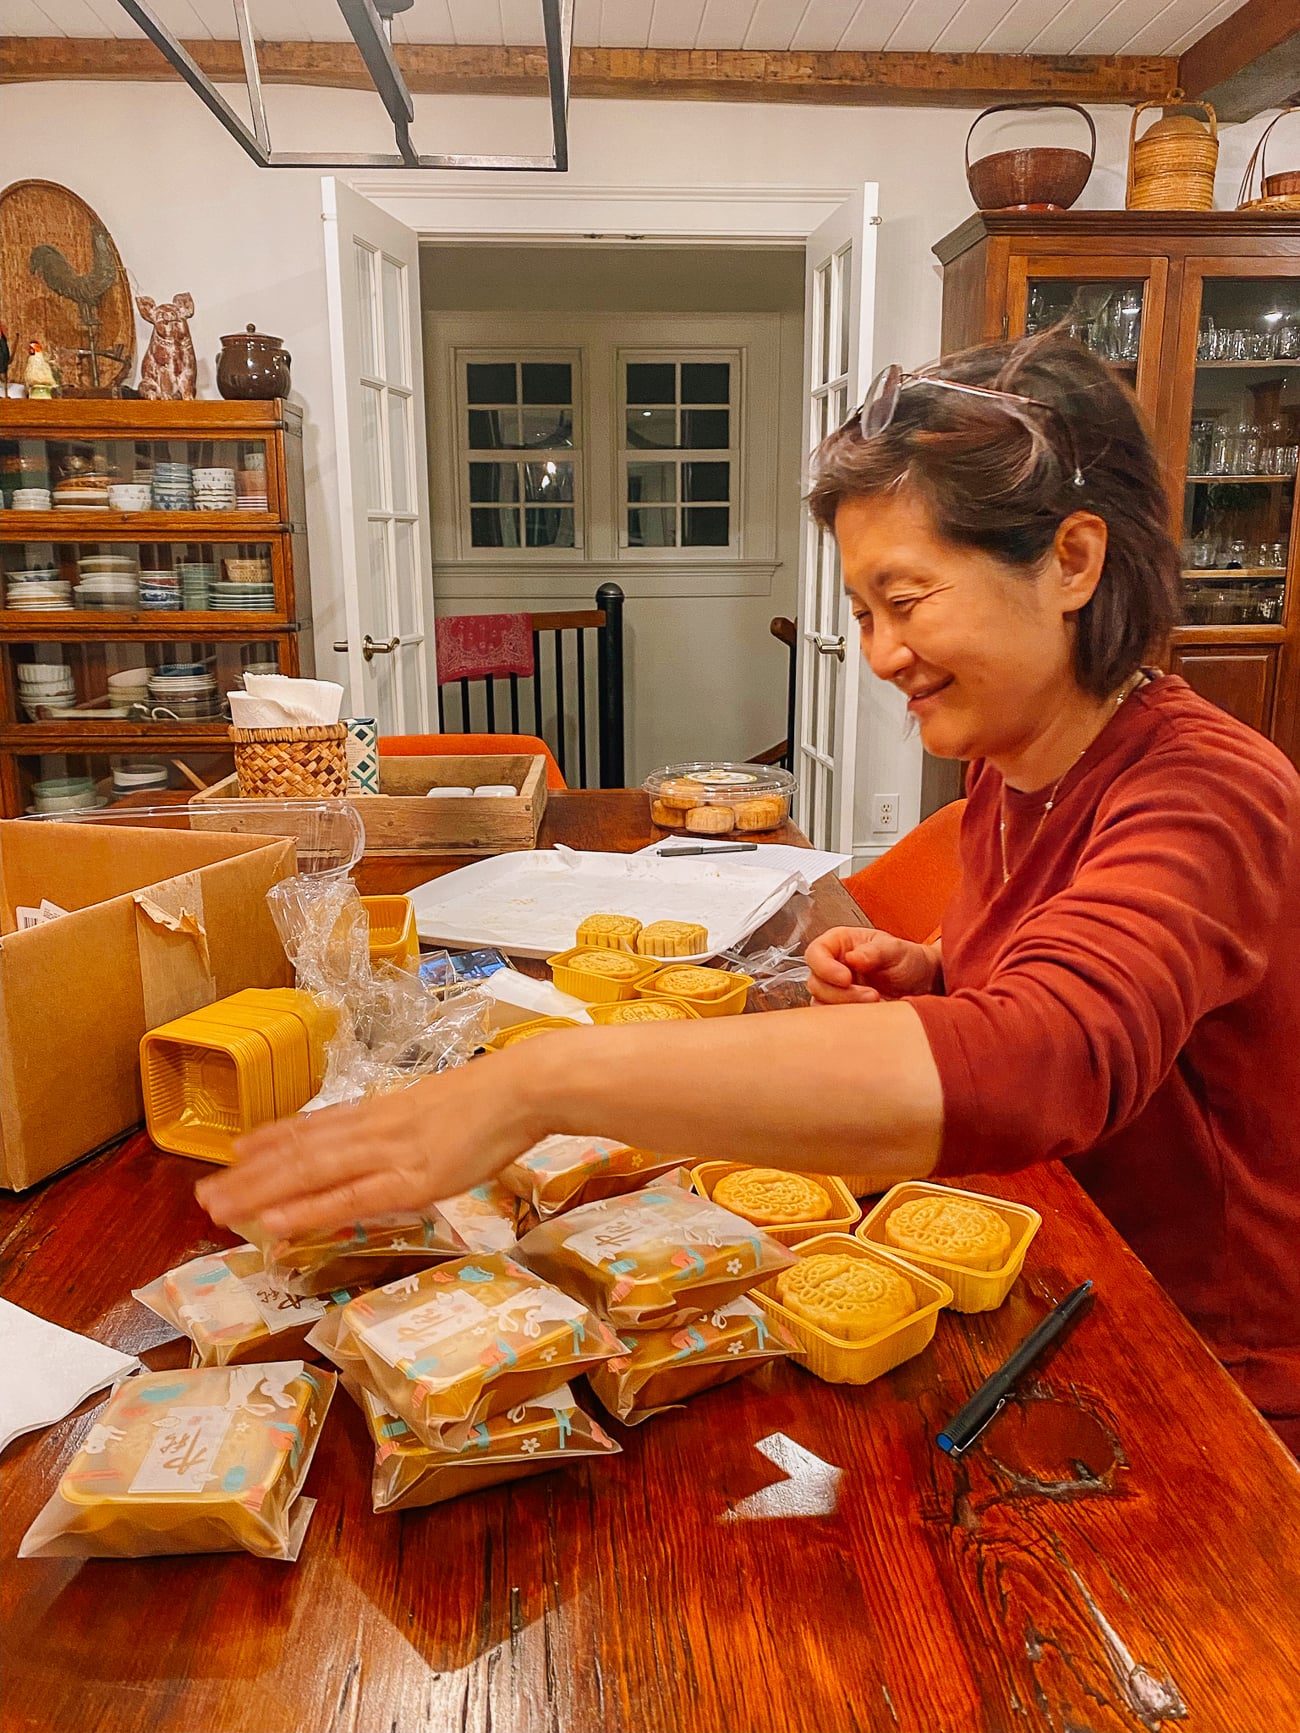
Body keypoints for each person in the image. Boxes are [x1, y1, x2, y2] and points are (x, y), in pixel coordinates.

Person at [198, 332, 1300, 1452]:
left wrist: (538, 1084)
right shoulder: (1014, 760)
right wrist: (935, 970)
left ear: (1072, 561)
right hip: (1056, 1268)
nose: (881, 653)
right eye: (863, 612)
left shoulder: (1211, 792)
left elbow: (1050, 1057)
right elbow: (1065, 960)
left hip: (1204, 1377)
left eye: (906, 598)